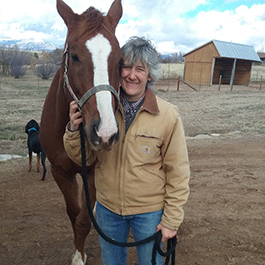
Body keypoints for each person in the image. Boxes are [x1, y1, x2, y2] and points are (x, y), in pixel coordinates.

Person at [63, 36, 190, 265]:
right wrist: (73, 130)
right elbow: (85, 158)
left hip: (149, 213)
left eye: (140, 69)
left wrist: (171, 220)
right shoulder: (103, 111)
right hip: (108, 210)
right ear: (117, 71)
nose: (132, 75)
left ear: (149, 74)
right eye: (127, 67)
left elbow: (178, 173)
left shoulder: (168, 116)